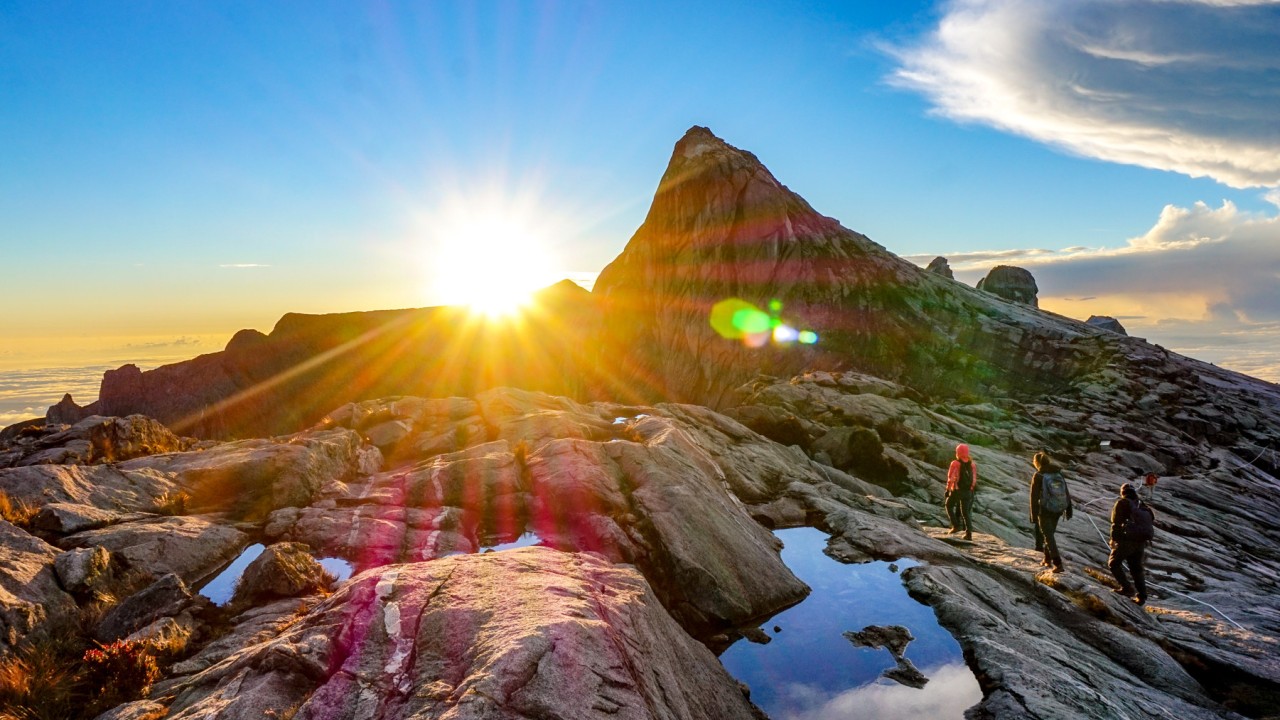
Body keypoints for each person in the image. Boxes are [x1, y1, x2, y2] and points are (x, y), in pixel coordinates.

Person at [1109, 482, 1155, 605]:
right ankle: (1142, 596)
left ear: (1122, 493)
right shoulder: (1142, 505)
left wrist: (1114, 540)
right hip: (1141, 542)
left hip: (1127, 540)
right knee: (1136, 569)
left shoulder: (1122, 503)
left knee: (1113, 563)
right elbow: (1152, 519)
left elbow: (1116, 523)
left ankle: (1127, 588)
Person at [1028, 452, 1073, 572]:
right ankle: (1047, 559)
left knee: (1048, 536)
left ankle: (1058, 563)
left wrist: (1034, 515)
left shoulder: (1039, 475)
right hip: (1058, 509)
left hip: (1045, 510)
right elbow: (1066, 492)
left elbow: (1033, 497)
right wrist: (1068, 509)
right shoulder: (1057, 473)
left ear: (1036, 463)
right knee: (1050, 534)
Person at [945, 443, 978, 540]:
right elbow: (974, 479)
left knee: (949, 505)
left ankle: (956, 525)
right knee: (966, 512)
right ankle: (969, 534)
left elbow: (951, 478)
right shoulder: (972, 464)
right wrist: (971, 488)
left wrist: (948, 489)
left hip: (958, 490)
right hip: (968, 492)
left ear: (958, 452)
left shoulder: (955, 463)